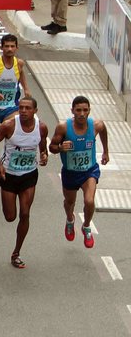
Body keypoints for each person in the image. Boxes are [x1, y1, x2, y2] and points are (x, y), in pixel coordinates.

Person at [0, 97, 50, 268]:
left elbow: (42, 145)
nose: (24, 111)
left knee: (25, 213)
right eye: (21, 107)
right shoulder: (8, 126)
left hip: (28, 175)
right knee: (10, 217)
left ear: (35, 111)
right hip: (8, 175)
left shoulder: (41, 127)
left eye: (27, 108)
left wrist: (44, 155)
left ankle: (16, 252)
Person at [49, 95, 109, 248]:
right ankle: (70, 219)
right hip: (70, 172)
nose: (82, 114)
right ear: (72, 111)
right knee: (70, 202)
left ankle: (86, 226)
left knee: (89, 201)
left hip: (89, 171)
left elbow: (103, 131)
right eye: (78, 110)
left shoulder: (96, 125)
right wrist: (61, 148)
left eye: (85, 110)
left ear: (89, 111)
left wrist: (105, 152)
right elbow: (52, 147)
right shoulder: (63, 128)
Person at [0, 35, 31, 128]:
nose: (10, 49)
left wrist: (26, 89)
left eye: (12, 46)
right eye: (7, 46)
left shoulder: (19, 63)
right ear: (1, 47)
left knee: (11, 130)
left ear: (17, 48)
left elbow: (20, 73)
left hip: (11, 106)